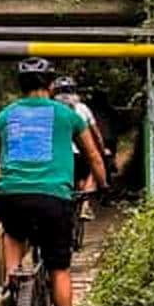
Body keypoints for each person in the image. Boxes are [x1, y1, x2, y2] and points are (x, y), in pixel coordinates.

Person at [0, 57, 107, 306]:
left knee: (13, 231)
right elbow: (93, 155)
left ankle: (12, 281)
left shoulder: (5, 116)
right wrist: (101, 184)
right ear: (50, 86)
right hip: (53, 199)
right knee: (58, 268)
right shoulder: (66, 115)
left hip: (11, 196)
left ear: (20, 88)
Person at [52, 75, 108, 220]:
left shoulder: (51, 109)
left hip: (59, 155)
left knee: (72, 179)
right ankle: (85, 206)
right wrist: (102, 149)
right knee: (93, 170)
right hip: (80, 154)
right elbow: (96, 133)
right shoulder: (82, 108)